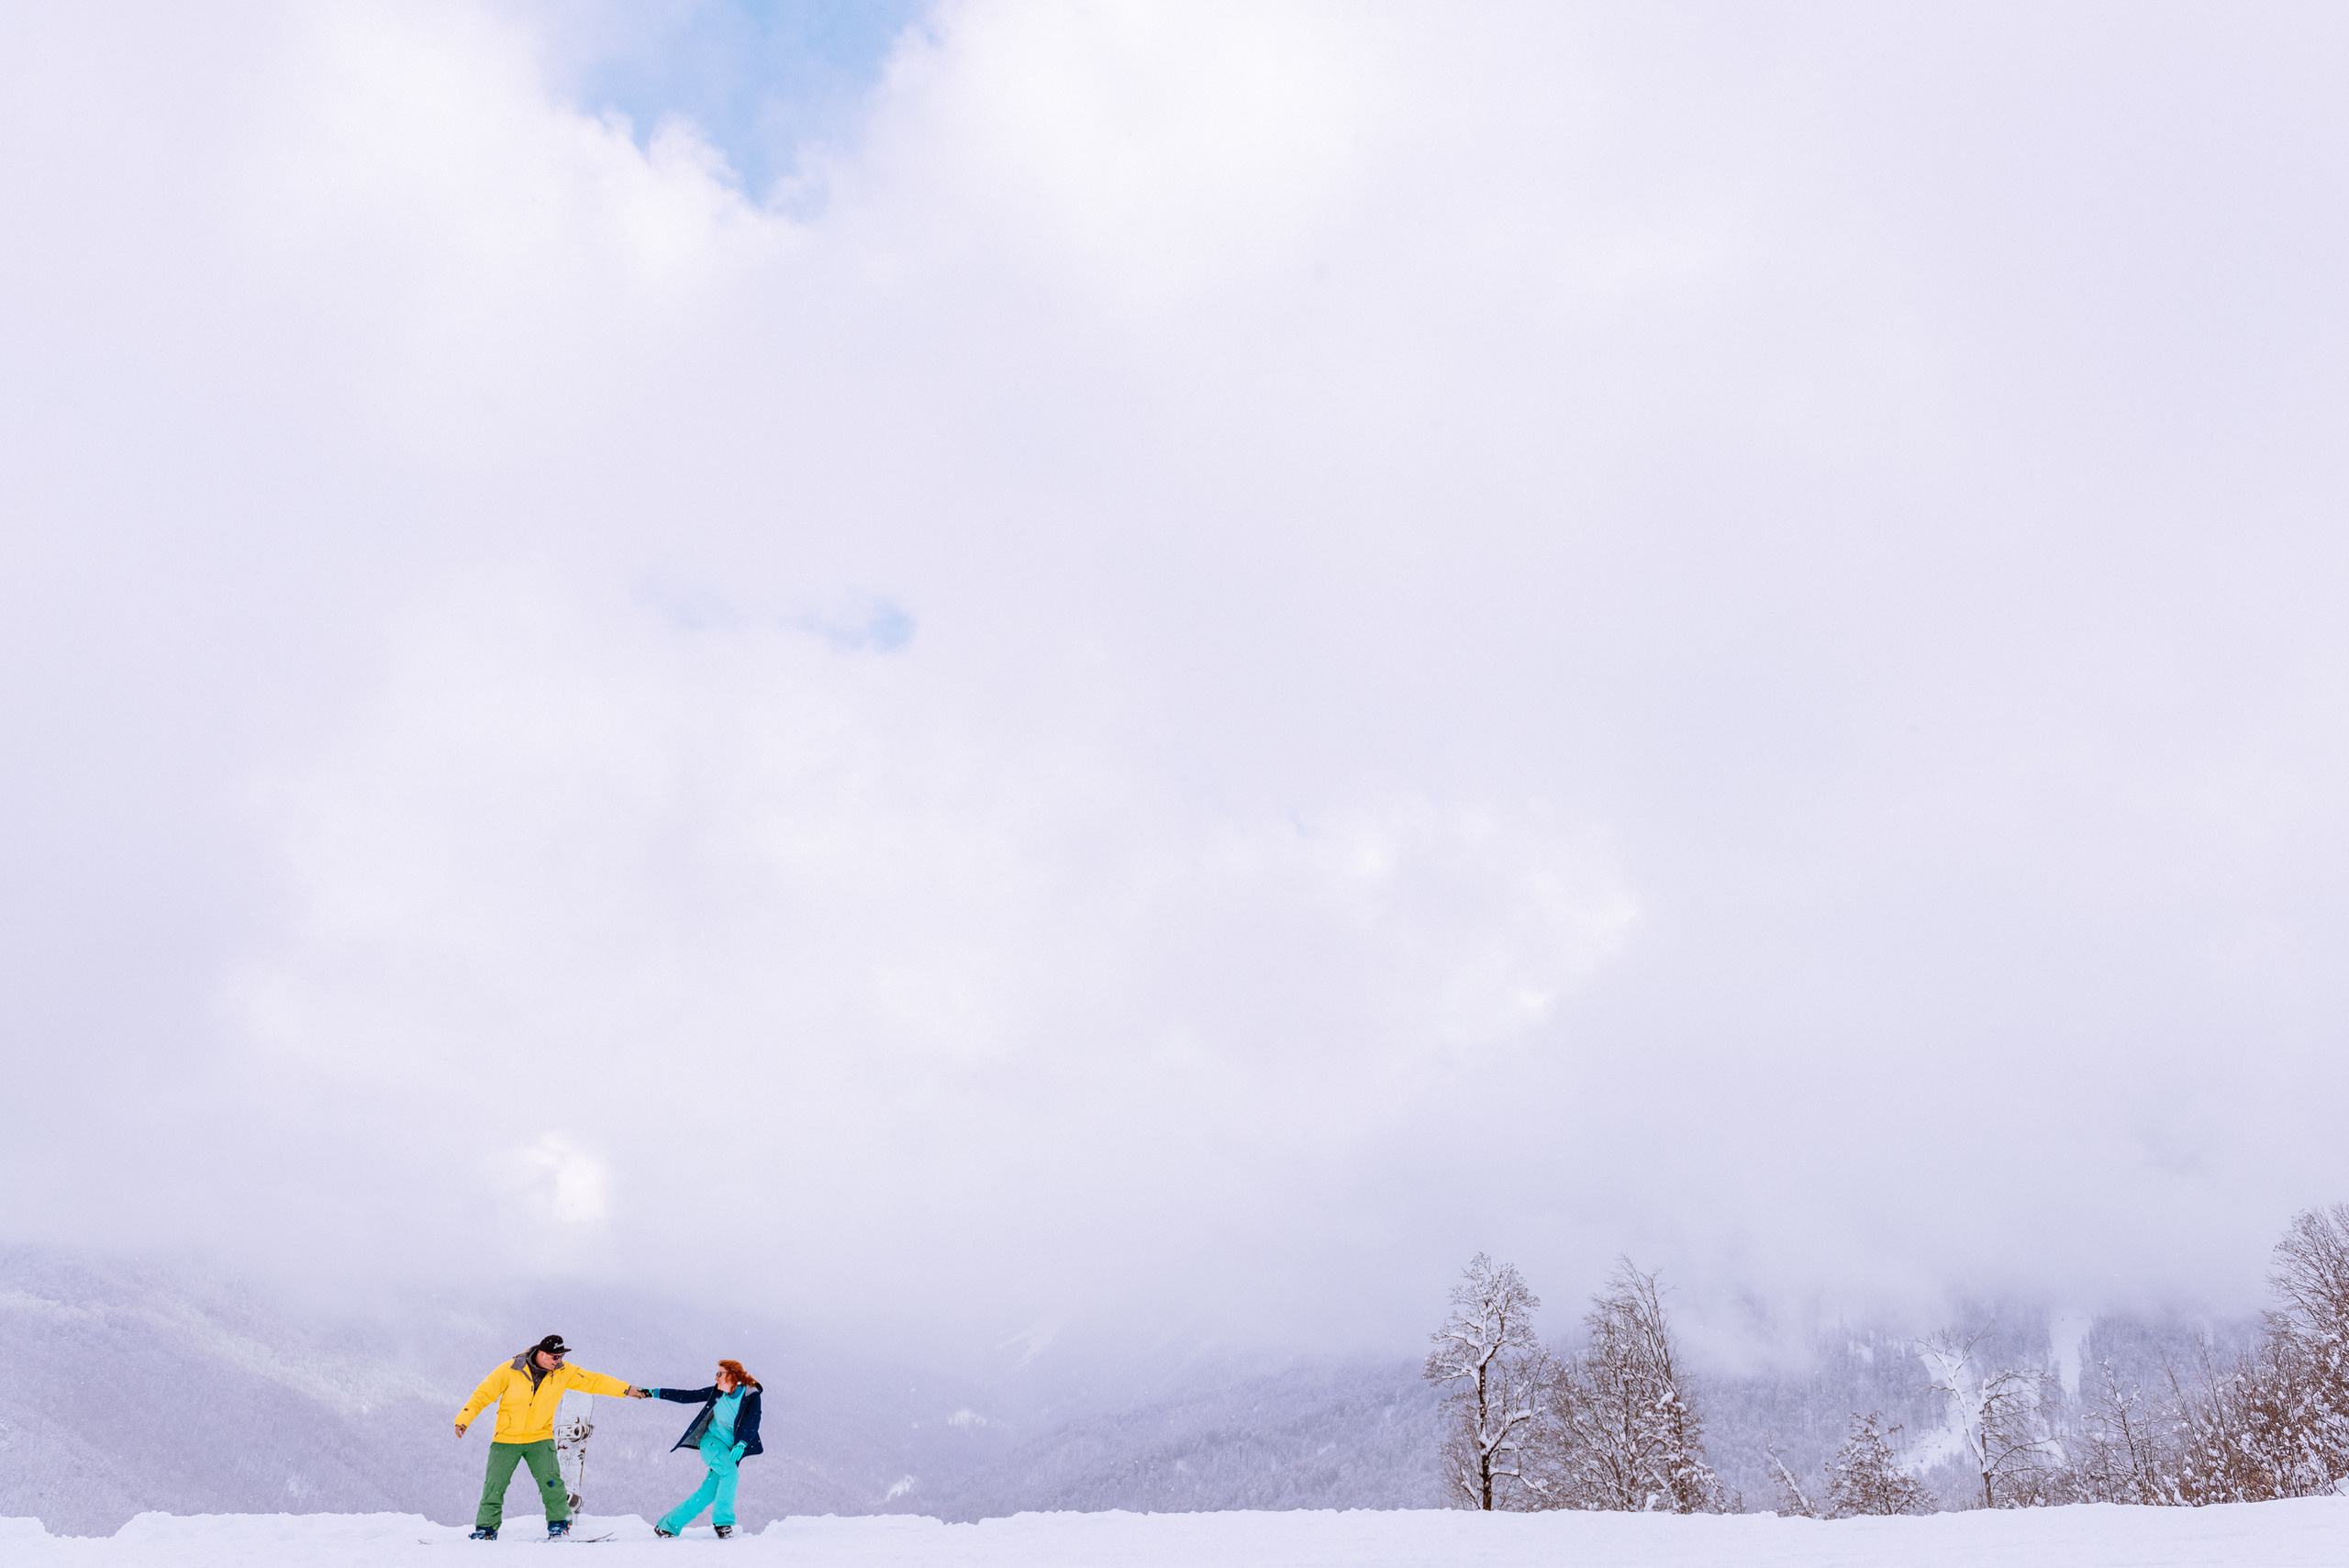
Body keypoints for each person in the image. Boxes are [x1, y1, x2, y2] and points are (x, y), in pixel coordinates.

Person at [453, 1334, 646, 1540]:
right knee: (494, 1486)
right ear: (542, 1354)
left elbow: (594, 1381)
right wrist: (463, 1419)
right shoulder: (511, 1370)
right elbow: (483, 1394)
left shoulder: (563, 1372)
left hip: (540, 1438)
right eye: (555, 1357)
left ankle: (559, 1525)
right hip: (506, 1439)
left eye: (561, 1356)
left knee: (552, 1484)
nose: (559, 1361)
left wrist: (626, 1389)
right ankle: (486, 1529)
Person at [643, 1360, 764, 1539]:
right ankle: (723, 1523)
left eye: (720, 1374)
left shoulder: (750, 1396)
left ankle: (667, 1525)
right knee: (730, 1474)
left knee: (707, 1493)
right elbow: (688, 1396)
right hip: (711, 1443)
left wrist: (742, 1443)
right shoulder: (717, 1393)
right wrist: (654, 1392)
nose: (716, 1378)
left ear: (732, 1376)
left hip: (729, 1449)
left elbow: (753, 1421)